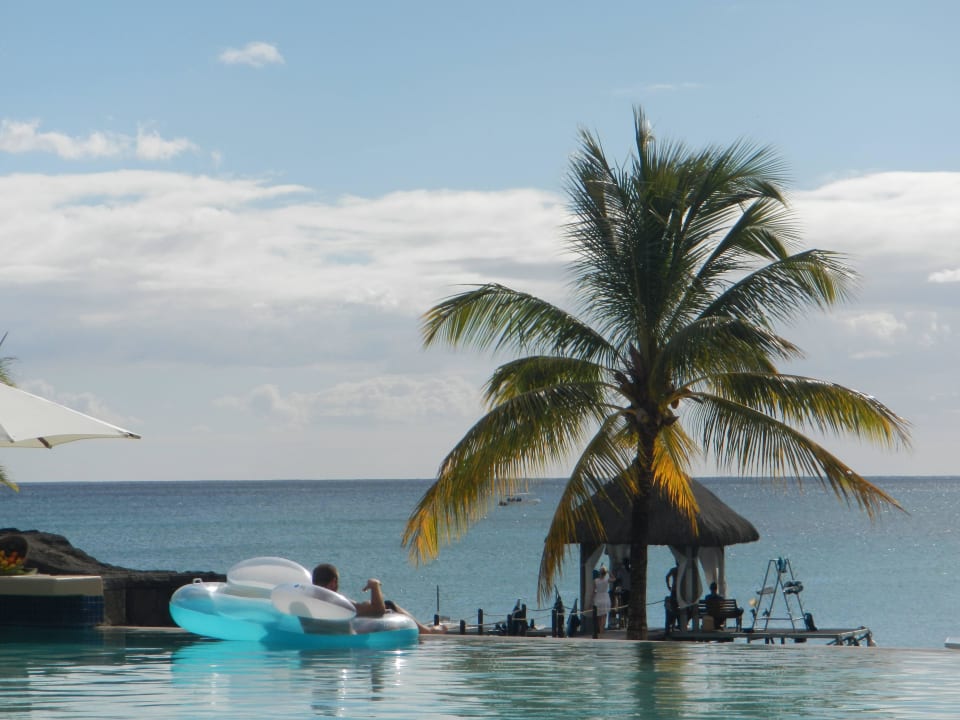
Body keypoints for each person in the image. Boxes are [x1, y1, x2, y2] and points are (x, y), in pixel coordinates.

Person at [312, 563, 445, 634]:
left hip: (332, 633)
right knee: (389, 605)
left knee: (383, 605)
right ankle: (430, 631)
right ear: (334, 582)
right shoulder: (338, 603)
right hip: (361, 634)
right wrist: (375, 586)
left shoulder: (311, 600)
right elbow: (378, 610)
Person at [592, 565, 612, 634]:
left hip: (598, 597)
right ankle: (602, 630)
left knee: (599, 616)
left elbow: (594, 591)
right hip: (605, 597)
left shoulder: (596, 580)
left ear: (599, 573)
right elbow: (614, 579)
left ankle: (599, 630)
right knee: (604, 615)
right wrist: (609, 572)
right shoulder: (607, 580)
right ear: (605, 573)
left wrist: (592, 599)